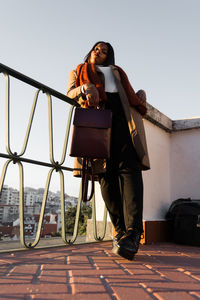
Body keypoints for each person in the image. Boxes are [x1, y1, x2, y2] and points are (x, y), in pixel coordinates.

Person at [67, 41, 150, 260]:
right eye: (97, 48)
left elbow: (130, 96)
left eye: (105, 51)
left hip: (124, 125)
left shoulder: (116, 72)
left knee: (131, 174)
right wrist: (85, 88)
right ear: (91, 51)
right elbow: (70, 93)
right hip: (98, 127)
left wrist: (141, 92)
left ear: (109, 56)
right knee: (106, 178)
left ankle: (133, 235)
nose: (100, 52)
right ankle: (120, 231)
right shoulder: (78, 71)